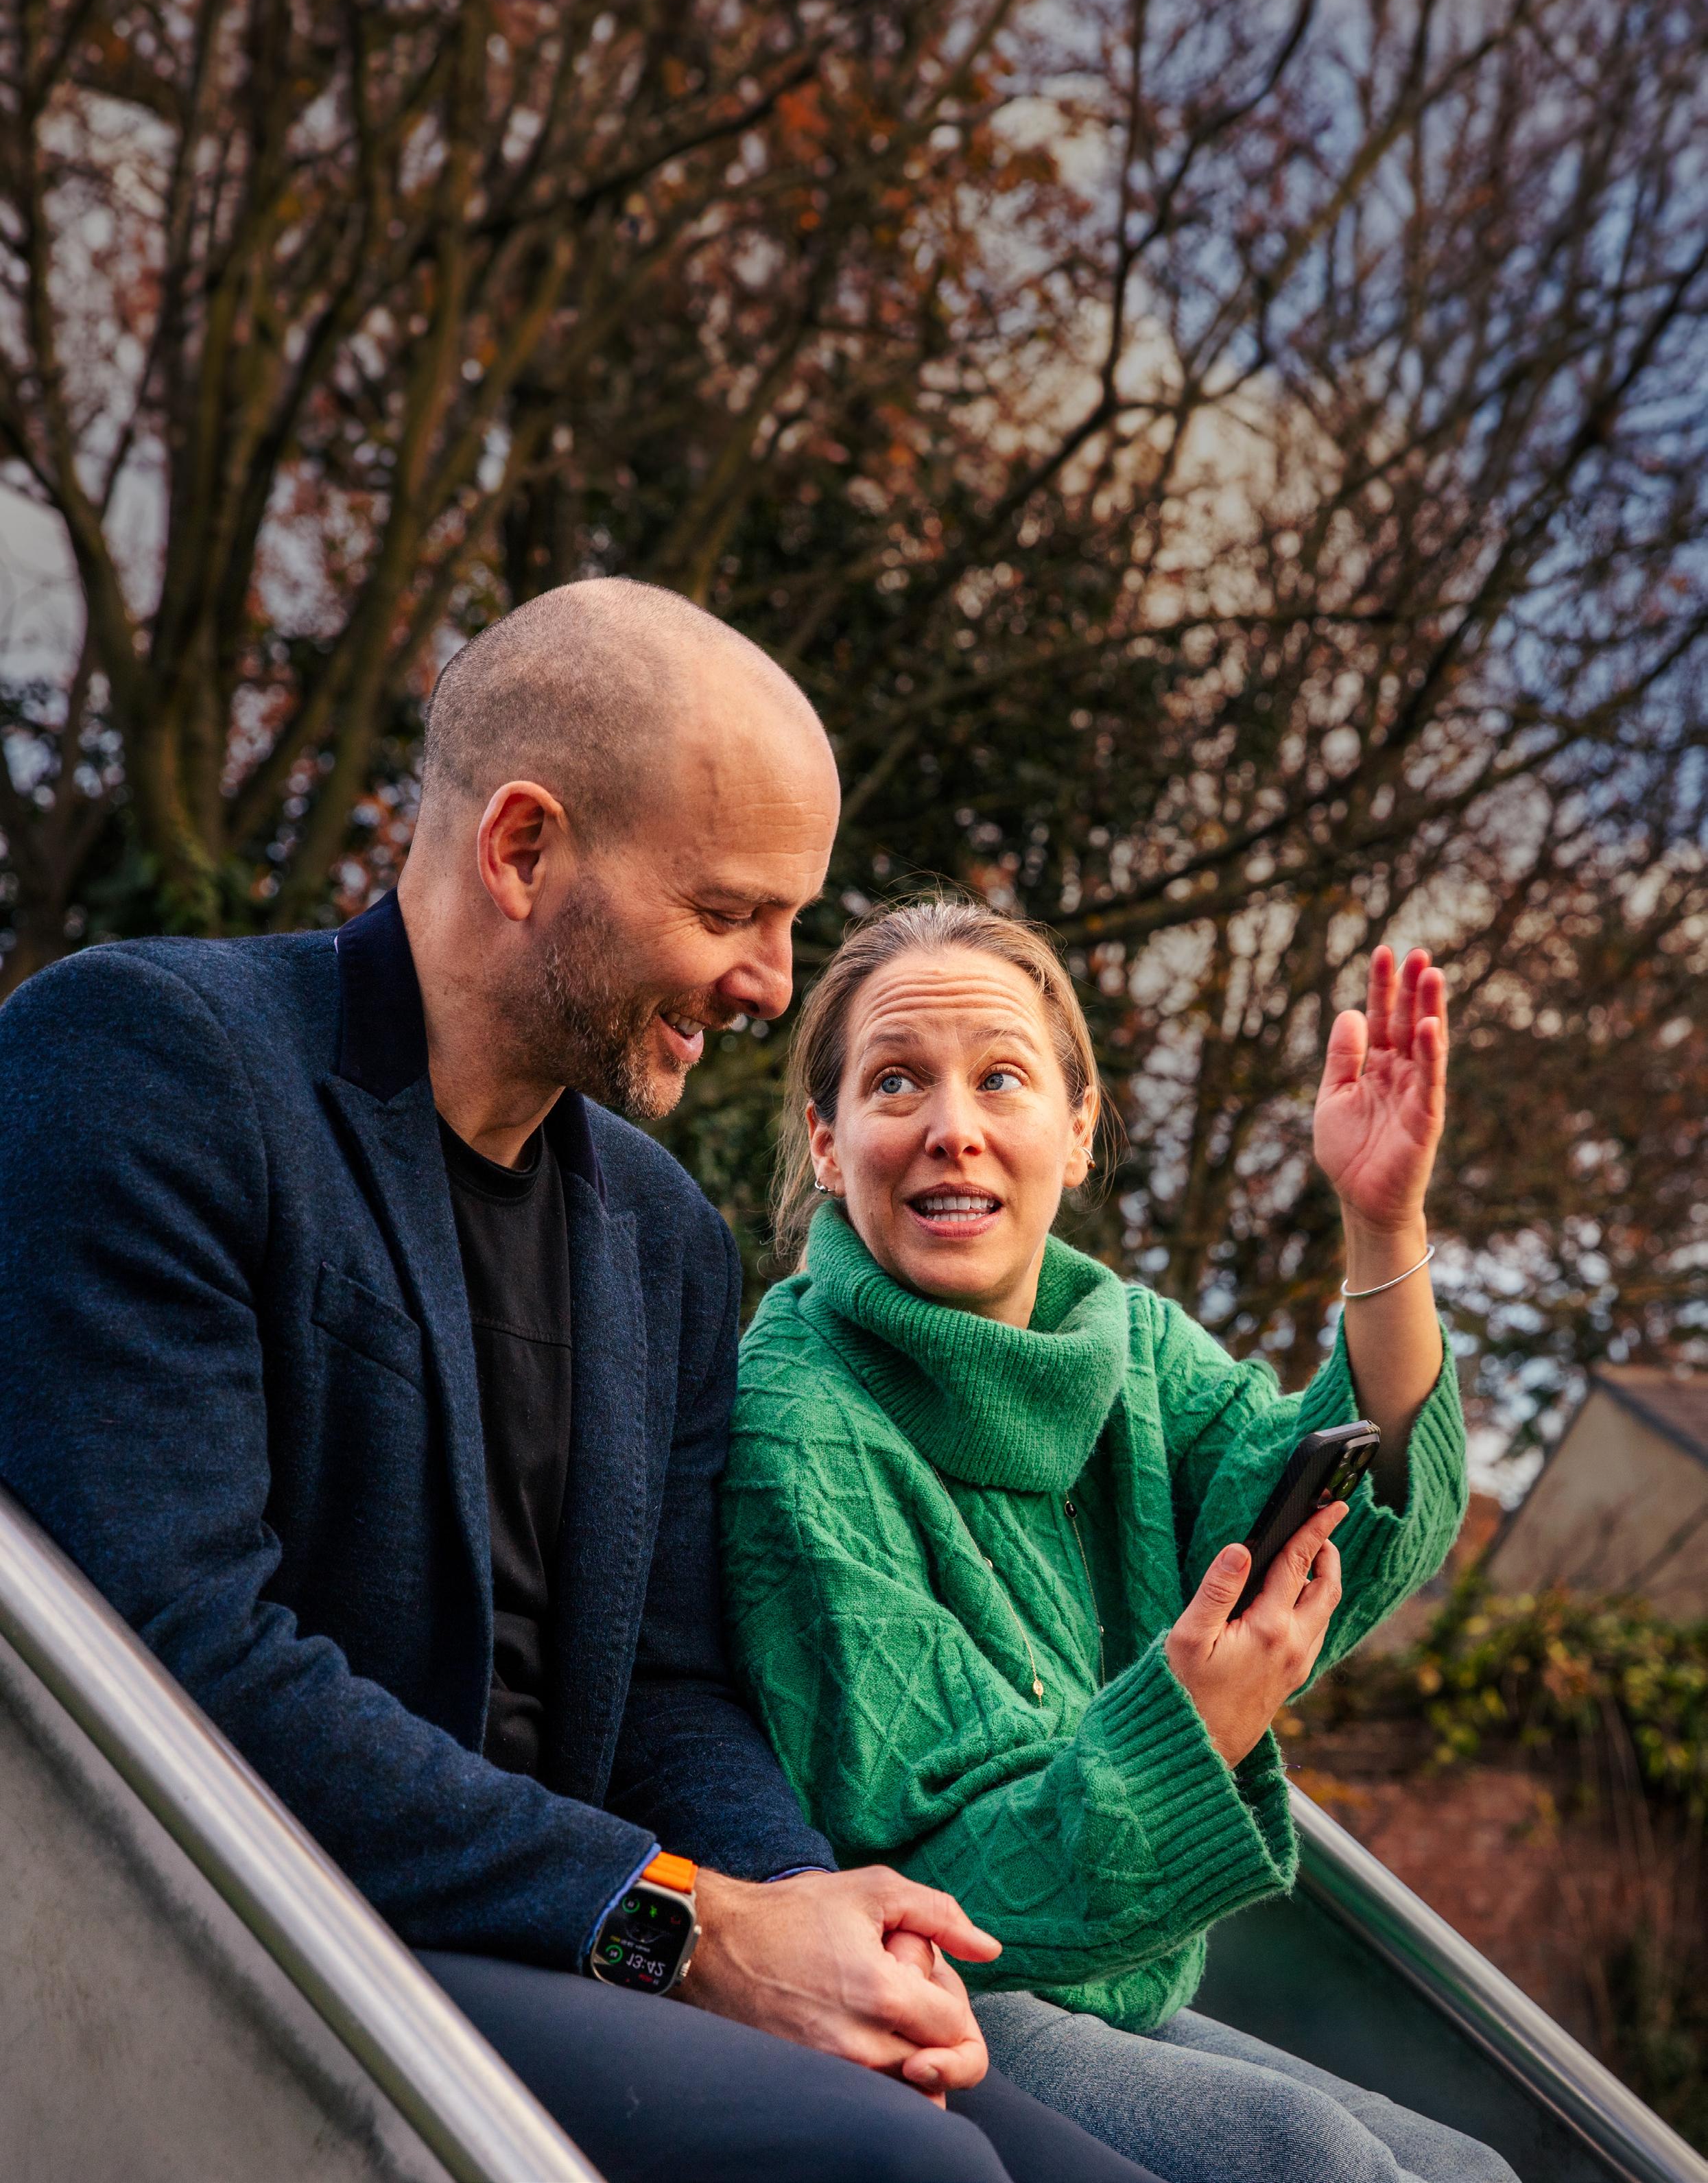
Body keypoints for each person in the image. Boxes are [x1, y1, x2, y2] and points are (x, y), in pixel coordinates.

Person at [0, 587, 1165, 2183]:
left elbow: (672, 1688)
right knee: (911, 2173)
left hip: (577, 1950)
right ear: (524, 849)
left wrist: (806, 1911)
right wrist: (690, 1932)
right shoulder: (150, 1063)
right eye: (730, 910)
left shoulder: (664, 1234)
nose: (775, 984)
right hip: (262, 1938)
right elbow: (191, 1666)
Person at [724, 895, 1519, 2183]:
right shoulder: (795, 1417)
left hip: (1113, 1980)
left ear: (1079, 1129)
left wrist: (1383, 1228)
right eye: (895, 1082)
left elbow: (1360, 1516)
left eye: (1000, 1077)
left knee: (1468, 2167)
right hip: (924, 1983)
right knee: (1309, 2162)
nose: (952, 1127)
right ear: (827, 1141)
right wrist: (1190, 1727)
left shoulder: (1128, 1341)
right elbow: (946, 1879)